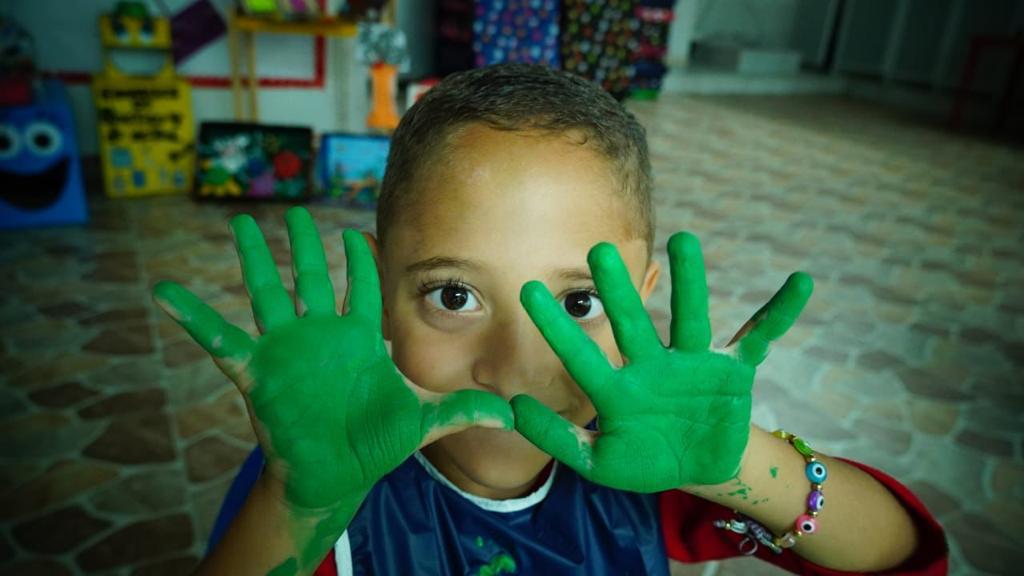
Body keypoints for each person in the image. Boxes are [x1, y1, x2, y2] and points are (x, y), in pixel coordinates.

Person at [154, 64, 947, 575]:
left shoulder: (649, 458)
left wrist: (732, 460)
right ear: (379, 287)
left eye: (579, 303)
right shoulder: (322, 478)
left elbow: (900, 555)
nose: (517, 366)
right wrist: (295, 506)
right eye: (453, 295)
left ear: (640, 291)